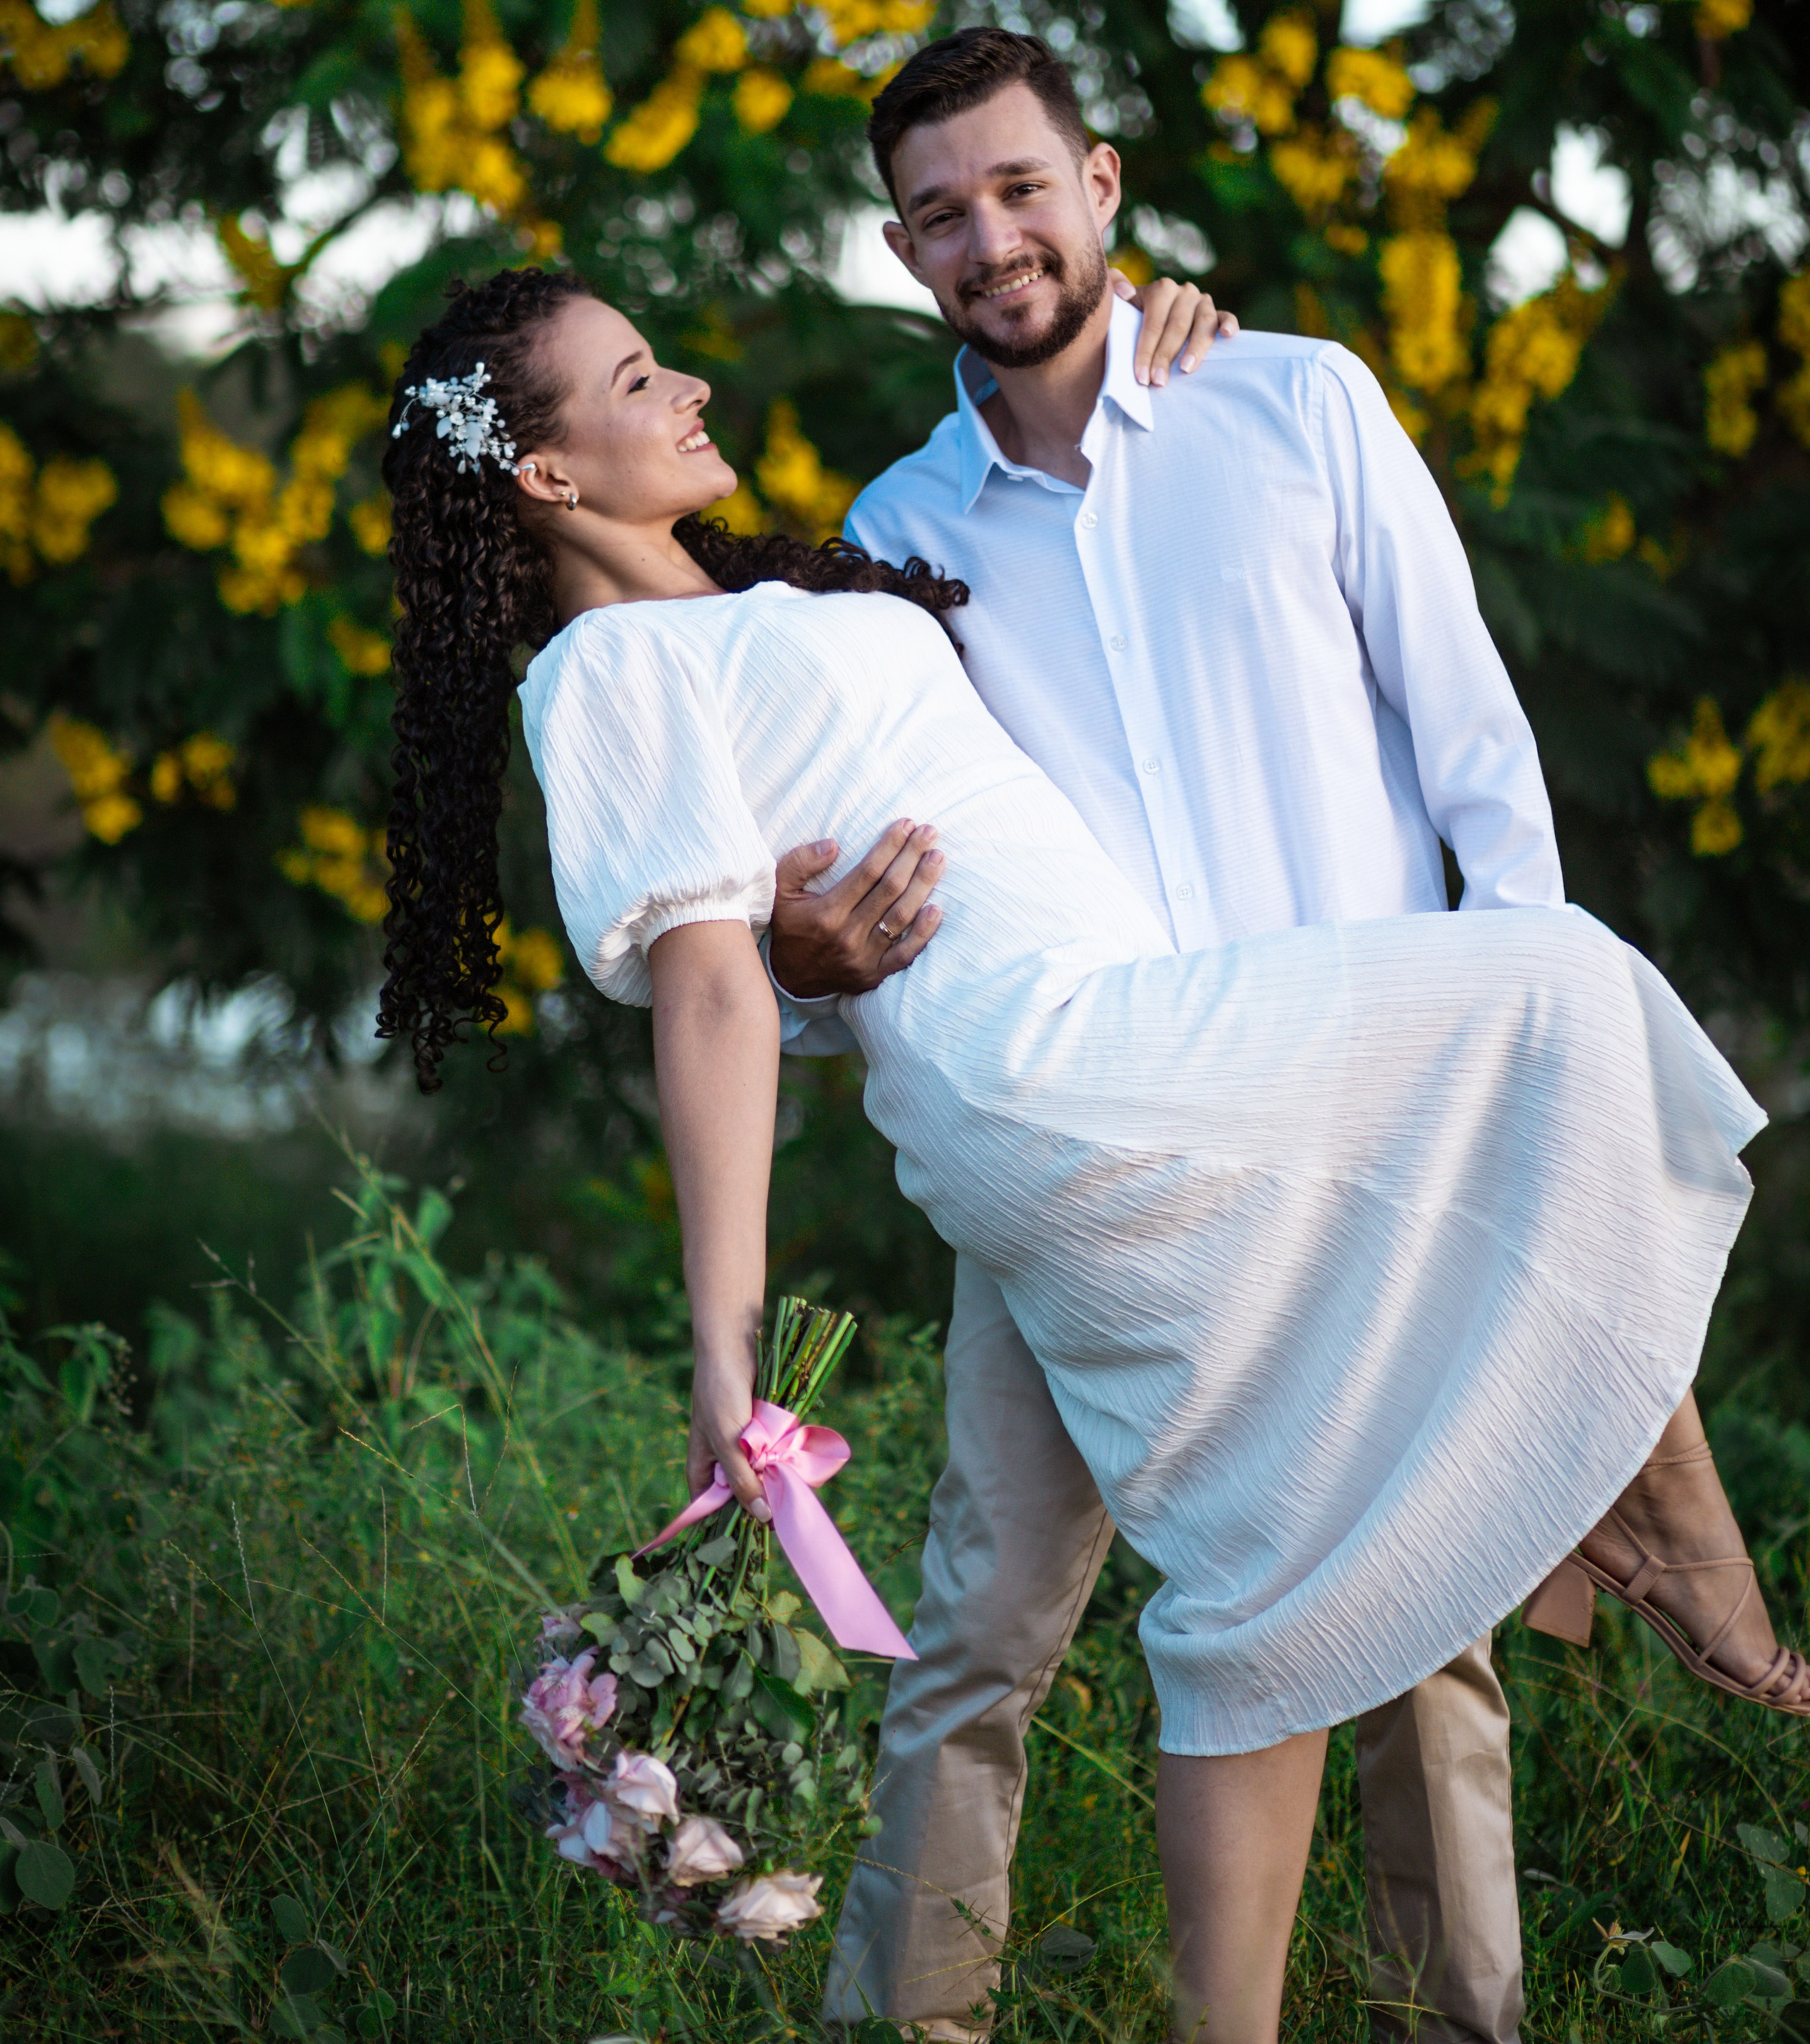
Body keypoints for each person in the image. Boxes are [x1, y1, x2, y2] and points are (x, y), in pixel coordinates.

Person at [378, 253, 1804, 2044]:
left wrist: (1154, 332)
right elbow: (717, 1001)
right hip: (1055, 1065)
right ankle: (1671, 1527)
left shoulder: (777, 586)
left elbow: (790, 907)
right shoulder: (602, 671)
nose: (693, 396)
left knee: (1260, 1576)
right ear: (547, 477)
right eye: (640, 381)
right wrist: (722, 1351)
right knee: (1556, 996)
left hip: (1135, 1043)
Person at [751, 25, 1562, 2042]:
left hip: (1352, 1121)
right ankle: (906, 2030)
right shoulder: (896, 529)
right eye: (942, 212)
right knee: (980, 1634)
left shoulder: (1293, 406)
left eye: (1023, 188)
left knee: (1420, 1631)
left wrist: (1513, 1052)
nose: (990, 237)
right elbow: (877, 895)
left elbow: (1474, 751)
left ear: (1103, 186)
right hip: (1088, 1155)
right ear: (900, 247)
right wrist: (816, 975)